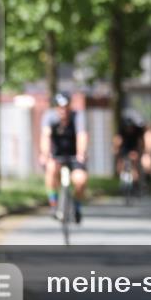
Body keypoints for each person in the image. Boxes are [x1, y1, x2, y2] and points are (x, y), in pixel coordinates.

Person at [40, 92, 89, 223]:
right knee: (51, 169)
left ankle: (77, 207)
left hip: (74, 156)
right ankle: (54, 204)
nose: (63, 110)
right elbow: (45, 136)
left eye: (65, 106)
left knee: (80, 180)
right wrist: (45, 155)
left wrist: (81, 153)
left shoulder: (78, 116)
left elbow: (82, 135)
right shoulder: (49, 117)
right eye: (60, 107)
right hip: (57, 156)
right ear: (55, 107)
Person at [113, 108, 151, 191]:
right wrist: (117, 154)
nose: (129, 129)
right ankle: (124, 181)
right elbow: (117, 141)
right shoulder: (121, 130)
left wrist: (146, 152)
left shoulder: (139, 130)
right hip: (125, 147)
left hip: (137, 146)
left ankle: (141, 181)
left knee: (141, 163)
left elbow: (144, 141)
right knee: (121, 162)